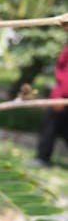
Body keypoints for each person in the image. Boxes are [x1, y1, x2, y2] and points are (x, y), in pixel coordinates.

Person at [32, 33, 68, 166]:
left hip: (62, 96)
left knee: (50, 127)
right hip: (60, 94)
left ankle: (42, 158)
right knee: (62, 128)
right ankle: (42, 157)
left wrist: (62, 96)